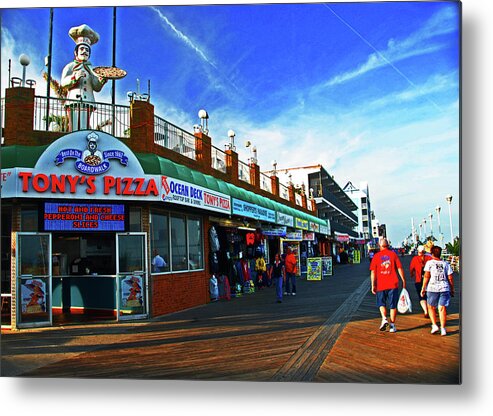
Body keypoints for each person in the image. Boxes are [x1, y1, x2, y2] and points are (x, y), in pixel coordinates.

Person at [61, 24, 107, 131]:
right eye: (81, 49)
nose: (84, 51)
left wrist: (101, 81)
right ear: (76, 52)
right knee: (74, 126)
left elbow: (96, 87)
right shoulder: (70, 66)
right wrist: (74, 77)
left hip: (88, 101)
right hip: (73, 100)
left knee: (84, 126)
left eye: (87, 50)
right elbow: (63, 83)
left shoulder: (92, 69)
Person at [370, 238, 406, 333]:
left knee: (381, 303)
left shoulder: (376, 256)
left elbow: (373, 272)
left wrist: (373, 284)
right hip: (393, 283)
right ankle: (392, 325)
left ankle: (384, 318)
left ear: (380, 245)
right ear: (388, 245)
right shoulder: (393, 255)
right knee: (392, 305)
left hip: (381, 285)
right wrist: (403, 280)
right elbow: (399, 268)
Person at [421, 246, 455, 336]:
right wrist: (452, 289)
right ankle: (443, 328)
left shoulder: (429, 263)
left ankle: (435, 325)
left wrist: (423, 288)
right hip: (444, 288)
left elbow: (426, 276)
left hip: (432, 288)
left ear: (432, 253)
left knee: (431, 307)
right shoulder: (446, 264)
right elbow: (450, 278)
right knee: (442, 308)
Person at [409, 245, 431, 318]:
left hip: (419, 280)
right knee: (429, 295)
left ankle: (425, 311)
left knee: (421, 296)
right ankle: (430, 309)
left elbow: (411, 269)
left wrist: (412, 274)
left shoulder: (415, 259)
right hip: (429, 280)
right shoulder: (429, 258)